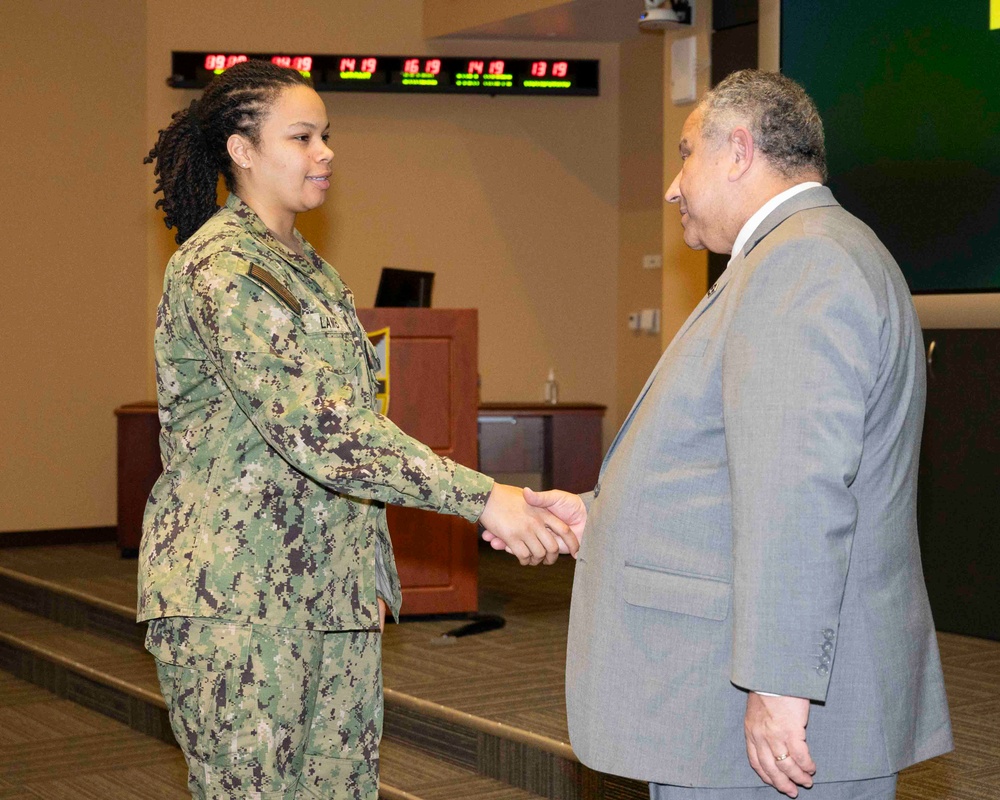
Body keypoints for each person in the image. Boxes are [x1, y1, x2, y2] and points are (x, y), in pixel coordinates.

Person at [139, 60, 582, 800]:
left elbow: (357, 428)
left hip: (322, 597)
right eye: (304, 137)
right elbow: (323, 434)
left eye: (328, 136)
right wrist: (483, 498)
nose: (326, 153)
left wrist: (356, 572)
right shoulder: (219, 268)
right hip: (237, 602)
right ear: (243, 151)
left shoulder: (312, 271)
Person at [559, 70, 953, 799]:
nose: (674, 187)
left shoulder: (803, 263)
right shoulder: (808, 253)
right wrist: (599, 512)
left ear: (738, 151)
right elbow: (738, 464)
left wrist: (777, 685)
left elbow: (797, 492)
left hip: (772, 724)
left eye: (685, 154)